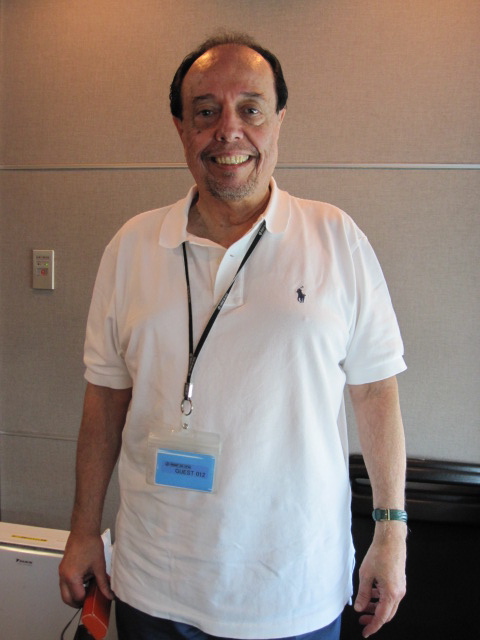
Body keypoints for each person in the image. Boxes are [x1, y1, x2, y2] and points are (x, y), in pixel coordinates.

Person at [59, 32, 407, 640]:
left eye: (250, 109)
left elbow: (376, 391)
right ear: (180, 127)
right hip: (154, 582)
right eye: (206, 112)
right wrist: (84, 529)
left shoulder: (336, 238)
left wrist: (391, 532)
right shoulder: (131, 247)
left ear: (279, 121)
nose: (229, 131)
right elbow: (106, 398)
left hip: (292, 591)